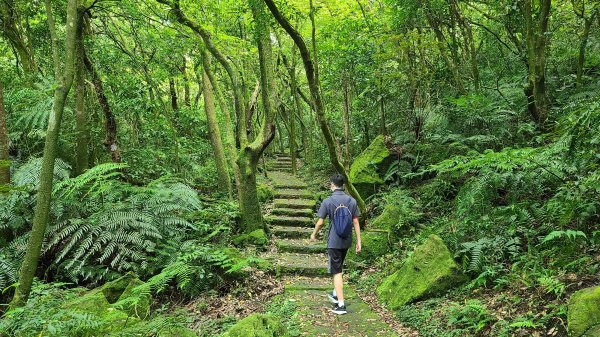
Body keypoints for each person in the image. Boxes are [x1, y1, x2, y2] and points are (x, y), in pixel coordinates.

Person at [310, 173, 361, 315]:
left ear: (332, 184)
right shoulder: (352, 200)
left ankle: (341, 305)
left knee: (336, 271)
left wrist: (314, 234)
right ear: (343, 184)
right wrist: (359, 241)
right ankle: (335, 293)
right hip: (347, 240)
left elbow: (320, 222)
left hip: (334, 241)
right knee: (339, 267)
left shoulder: (328, 201)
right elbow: (356, 221)